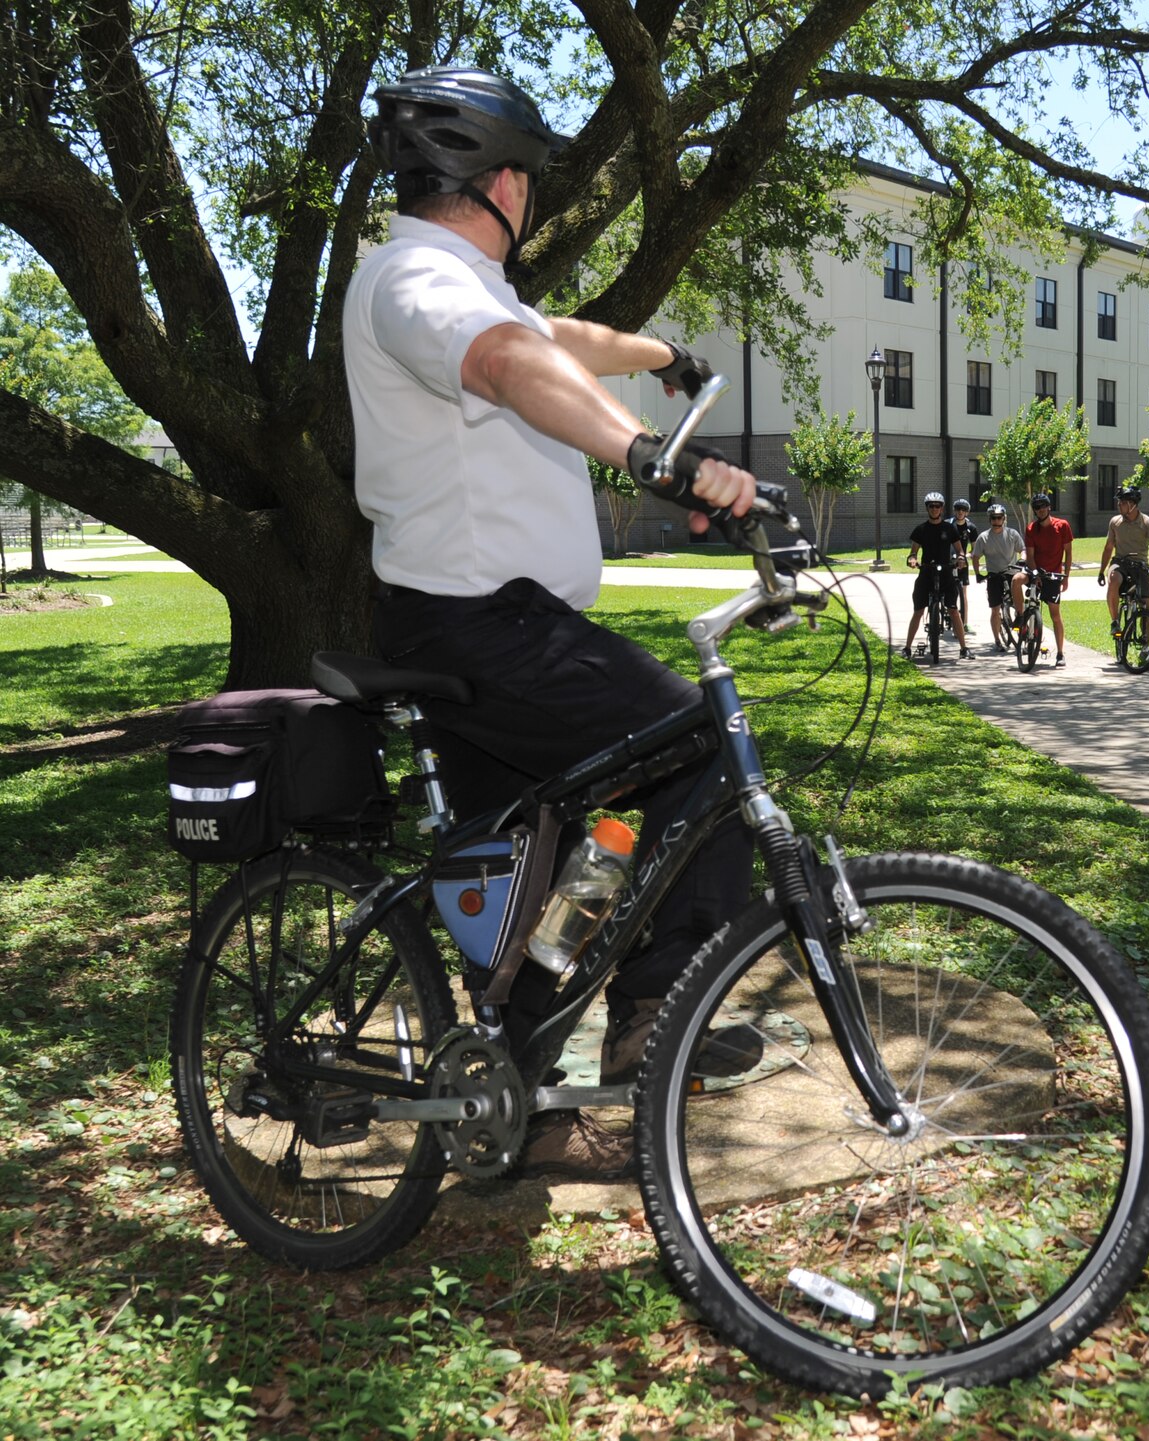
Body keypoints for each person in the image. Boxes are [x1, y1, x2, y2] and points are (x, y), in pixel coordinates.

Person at [345, 65, 759, 1178]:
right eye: (530, 177)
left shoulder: (456, 282)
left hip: (469, 626)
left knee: (529, 878)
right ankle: (664, 1005)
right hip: (485, 628)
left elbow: (557, 335)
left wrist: (667, 358)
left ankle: (511, 1108)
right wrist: (652, 454)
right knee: (692, 743)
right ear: (503, 181)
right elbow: (511, 358)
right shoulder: (416, 278)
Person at [902, 492, 971, 659]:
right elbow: (913, 552)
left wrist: (961, 558)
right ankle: (907, 648)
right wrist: (912, 560)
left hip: (946, 571)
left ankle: (964, 648)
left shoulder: (950, 528)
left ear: (942, 508)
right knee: (918, 610)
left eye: (937, 506)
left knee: (953, 610)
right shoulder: (921, 529)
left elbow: (960, 550)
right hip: (926, 571)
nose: (934, 509)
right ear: (927, 508)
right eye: (931, 506)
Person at [1097, 484, 1149, 634]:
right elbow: (1108, 548)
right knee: (1113, 579)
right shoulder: (1115, 522)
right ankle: (1115, 621)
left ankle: (1146, 646)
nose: (1119, 505)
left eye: (1123, 502)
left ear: (1132, 505)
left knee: (1146, 605)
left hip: (1140, 565)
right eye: (1119, 502)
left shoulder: (1147, 523)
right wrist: (1101, 571)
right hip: (1120, 562)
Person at [1023, 492, 1074, 666]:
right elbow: (1029, 556)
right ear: (1035, 511)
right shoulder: (1031, 529)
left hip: (1053, 576)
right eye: (1037, 507)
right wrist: (1035, 573)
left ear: (1049, 507)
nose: (1041, 510)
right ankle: (1023, 622)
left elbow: (1068, 553)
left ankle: (1060, 653)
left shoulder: (1063, 526)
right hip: (1037, 573)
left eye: (1043, 506)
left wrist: (1066, 577)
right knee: (1017, 581)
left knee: (1055, 615)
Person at [969, 502, 1026, 650]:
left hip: (1011, 574)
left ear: (1004, 518)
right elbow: (975, 557)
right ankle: (997, 641)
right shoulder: (984, 537)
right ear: (990, 519)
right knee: (995, 609)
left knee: (1020, 607)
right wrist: (977, 574)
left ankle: (1024, 636)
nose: (996, 521)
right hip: (994, 575)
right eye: (993, 518)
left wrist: (1023, 559)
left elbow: (1023, 549)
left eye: (999, 518)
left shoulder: (1012, 534)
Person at [949, 498, 979, 626]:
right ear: (954, 511)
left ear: (967, 512)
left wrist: (966, 556)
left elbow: (974, 549)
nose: (960, 512)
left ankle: (964, 623)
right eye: (958, 509)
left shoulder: (971, 528)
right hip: (948, 560)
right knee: (947, 589)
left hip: (962, 561)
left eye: (963, 510)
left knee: (963, 592)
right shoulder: (949, 524)